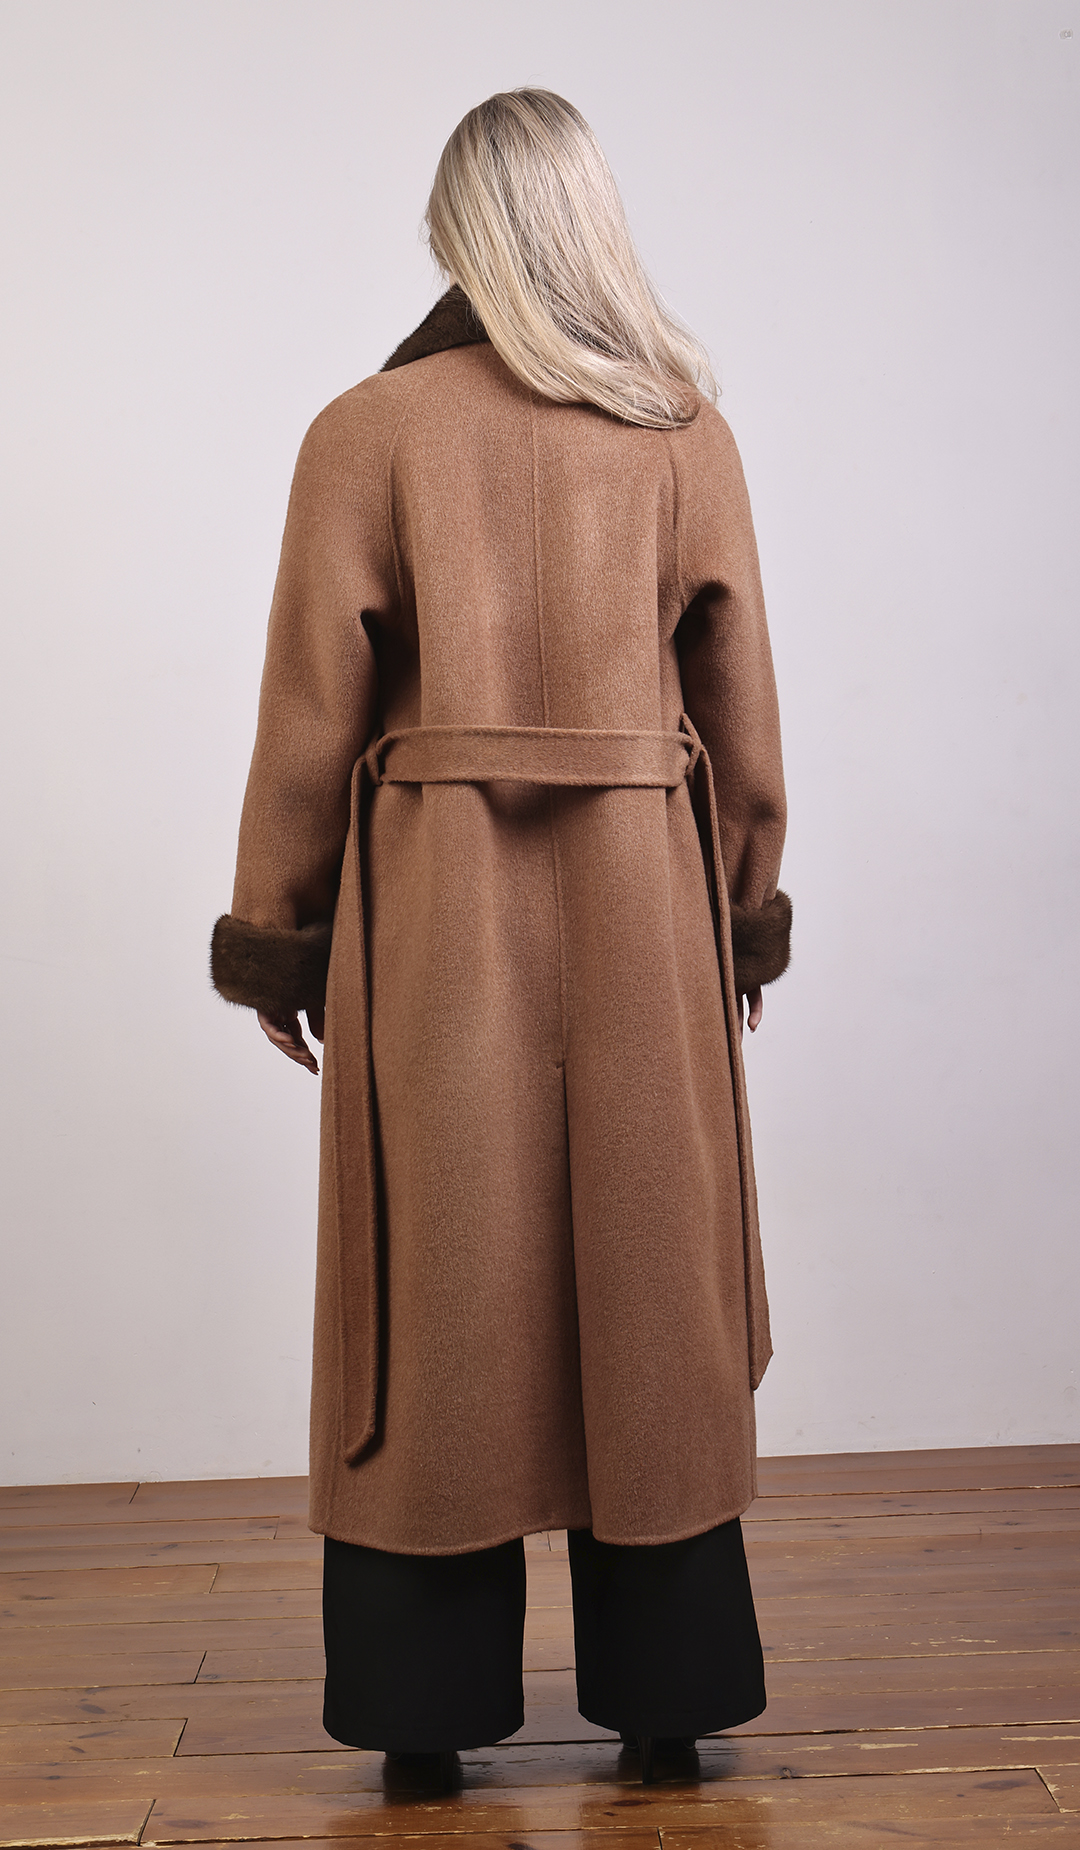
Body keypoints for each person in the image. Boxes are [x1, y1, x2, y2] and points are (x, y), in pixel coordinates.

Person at [211, 88, 790, 1788]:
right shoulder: (684, 433)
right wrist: (738, 918)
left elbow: (307, 716)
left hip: (435, 916)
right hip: (642, 906)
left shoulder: (367, 430)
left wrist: (280, 930)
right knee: (653, 1283)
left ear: (457, 233)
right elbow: (741, 717)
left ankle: (422, 1720)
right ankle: (670, 1700)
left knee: (434, 1285)